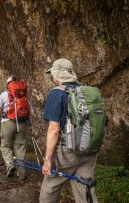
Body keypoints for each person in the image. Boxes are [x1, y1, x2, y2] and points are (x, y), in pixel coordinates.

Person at [39, 58, 98, 203]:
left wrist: (47, 160)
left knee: (50, 188)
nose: (52, 78)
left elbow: (53, 130)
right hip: (90, 149)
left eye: (52, 74)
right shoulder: (87, 91)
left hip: (68, 152)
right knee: (85, 190)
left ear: (57, 75)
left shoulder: (57, 93)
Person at [0, 76, 29, 180]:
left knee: (5, 147)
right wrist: (30, 125)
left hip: (7, 123)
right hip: (22, 123)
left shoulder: (3, 94)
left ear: (8, 85)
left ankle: (10, 166)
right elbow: (27, 110)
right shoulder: (23, 95)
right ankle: (22, 174)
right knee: (20, 148)